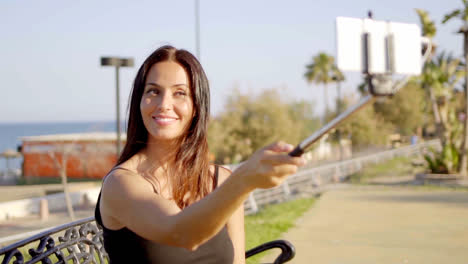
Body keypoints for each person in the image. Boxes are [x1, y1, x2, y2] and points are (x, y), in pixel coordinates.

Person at [95, 45, 305, 264]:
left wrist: (240, 181)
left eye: (180, 93)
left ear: (196, 107)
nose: (164, 104)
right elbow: (181, 232)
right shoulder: (120, 184)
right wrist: (244, 180)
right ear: (140, 101)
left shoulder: (220, 180)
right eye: (153, 91)